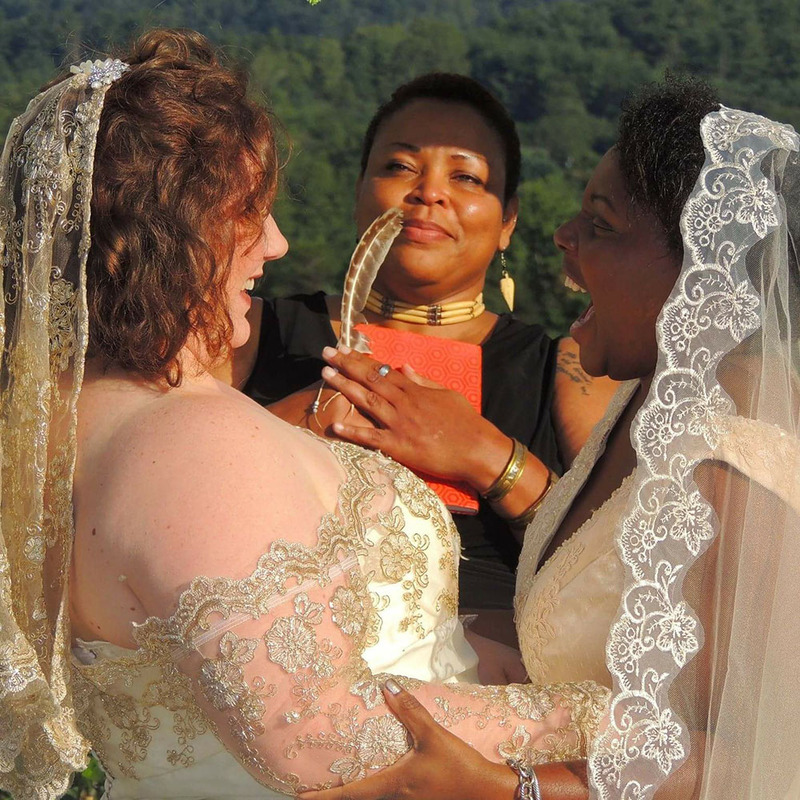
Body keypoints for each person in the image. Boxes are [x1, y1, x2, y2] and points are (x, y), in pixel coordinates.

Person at [0, 30, 610, 800]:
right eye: (251, 213)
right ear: (179, 232)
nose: (278, 243)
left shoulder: (62, 422)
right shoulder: (190, 438)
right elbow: (327, 738)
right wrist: (608, 726)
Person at [302, 81, 800, 799]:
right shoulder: (637, 410)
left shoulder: (739, 476)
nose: (563, 236)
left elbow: (748, 756)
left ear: (696, 267)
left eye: (598, 223)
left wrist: (509, 788)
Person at [220, 73, 618, 635]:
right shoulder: (247, 328)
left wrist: (488, 457)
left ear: (508, 222)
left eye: (466, 176)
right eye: (400, 167)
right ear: (359, 191)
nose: (429, 192)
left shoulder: (570, 371)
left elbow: (627, 570)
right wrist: (290, 425)